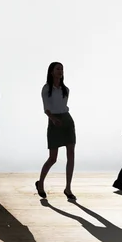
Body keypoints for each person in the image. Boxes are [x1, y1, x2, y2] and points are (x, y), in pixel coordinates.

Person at [35, 62, 76, 200]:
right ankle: (40, 183)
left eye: (62, 69)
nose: (60, 71)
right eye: (57, 69)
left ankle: (68, 188)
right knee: (53, 158)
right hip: (54, 121)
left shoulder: (66, 89)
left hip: (67, 120)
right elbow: (46, 108)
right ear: (51, 72)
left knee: (71, 153)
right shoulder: (46, 89)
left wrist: (61, 119)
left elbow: (64, 105)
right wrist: (52, 118)